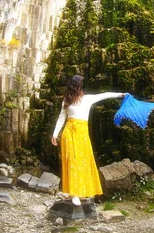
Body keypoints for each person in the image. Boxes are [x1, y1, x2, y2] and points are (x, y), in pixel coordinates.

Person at [51, 75, 126, 206]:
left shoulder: (88, 99)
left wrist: (120, 94)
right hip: (69, 133)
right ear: (77, 87)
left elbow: (104, 95)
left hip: (82, 133)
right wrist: (55, 134)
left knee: (83, 161)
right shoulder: (67, 100)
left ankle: (82, 191)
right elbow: (61, 118)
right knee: (72, 161)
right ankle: (74, 194)